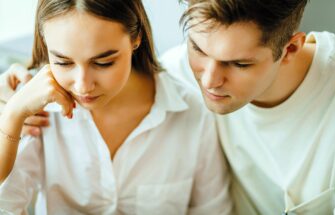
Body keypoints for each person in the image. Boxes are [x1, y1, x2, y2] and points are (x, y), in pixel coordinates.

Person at [0, 0, 231, 214]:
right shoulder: (32, 111)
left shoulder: (191, 112)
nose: (83, 86)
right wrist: (11, 117)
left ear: (136, 38)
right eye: (63, 62)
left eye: (103, 63)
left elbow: (213, 210)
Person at [160, 0, 335, 214]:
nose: (209, 81)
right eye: (198, 49)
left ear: (290, 49)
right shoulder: (176, 76)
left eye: (239, 64)